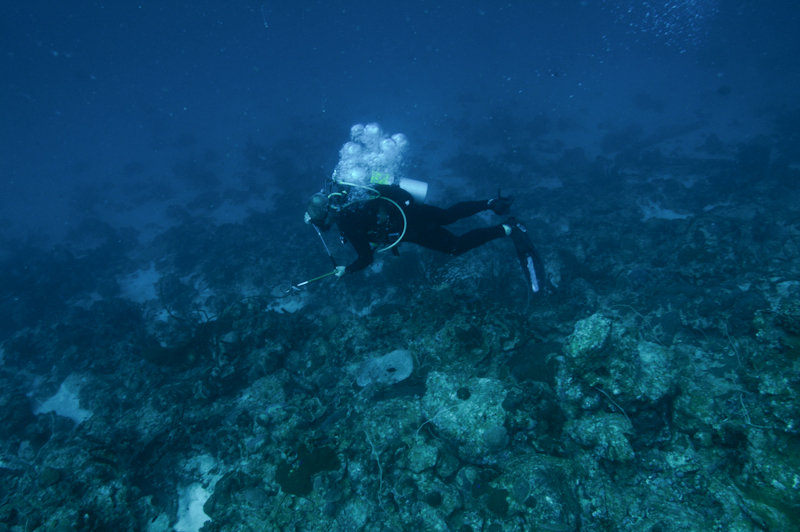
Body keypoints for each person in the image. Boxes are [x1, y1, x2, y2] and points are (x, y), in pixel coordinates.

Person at [304, 184, 546, 293]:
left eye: (320, 223)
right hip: (408, 207)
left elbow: (366, 258)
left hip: (409, 226)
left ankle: (508, 228)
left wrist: (347, 270)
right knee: (448, 215)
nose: (323, 227)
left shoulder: (346, 221)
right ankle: (492, 203)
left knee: (455, 246)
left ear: (326, 215)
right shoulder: (346, 194)